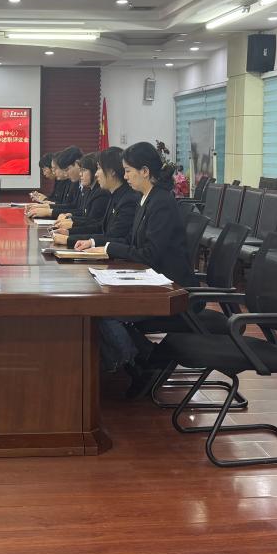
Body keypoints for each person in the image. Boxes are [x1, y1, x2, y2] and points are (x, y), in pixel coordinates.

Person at [73, 142, 193, 394]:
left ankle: (141, 363)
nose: (125, 176)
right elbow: (131, 241)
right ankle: (147, 359)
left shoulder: (161, 202)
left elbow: (150, 254)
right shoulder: (146, 199)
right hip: (152, 280)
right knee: (100, 307)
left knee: (104, 312)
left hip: (171, 289)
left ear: (145, 171)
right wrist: (99, 244)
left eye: (128, 171)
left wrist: (109, 248)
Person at [53, 147, 136, 246]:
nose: (96, 174)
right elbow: (100, 226)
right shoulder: (115, 194)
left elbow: (114, 237)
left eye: (99, 168)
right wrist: (69, 233)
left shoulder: (128, 199)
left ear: (112, 171)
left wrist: (70, 239)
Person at [26, 146, 83, 217]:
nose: (66, 174)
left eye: (55, 168)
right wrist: (46, 205)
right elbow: (72, 207)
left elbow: (77, 209)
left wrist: (48, 209)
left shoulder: (76, 182)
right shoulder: (74, 182)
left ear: (77, 164)